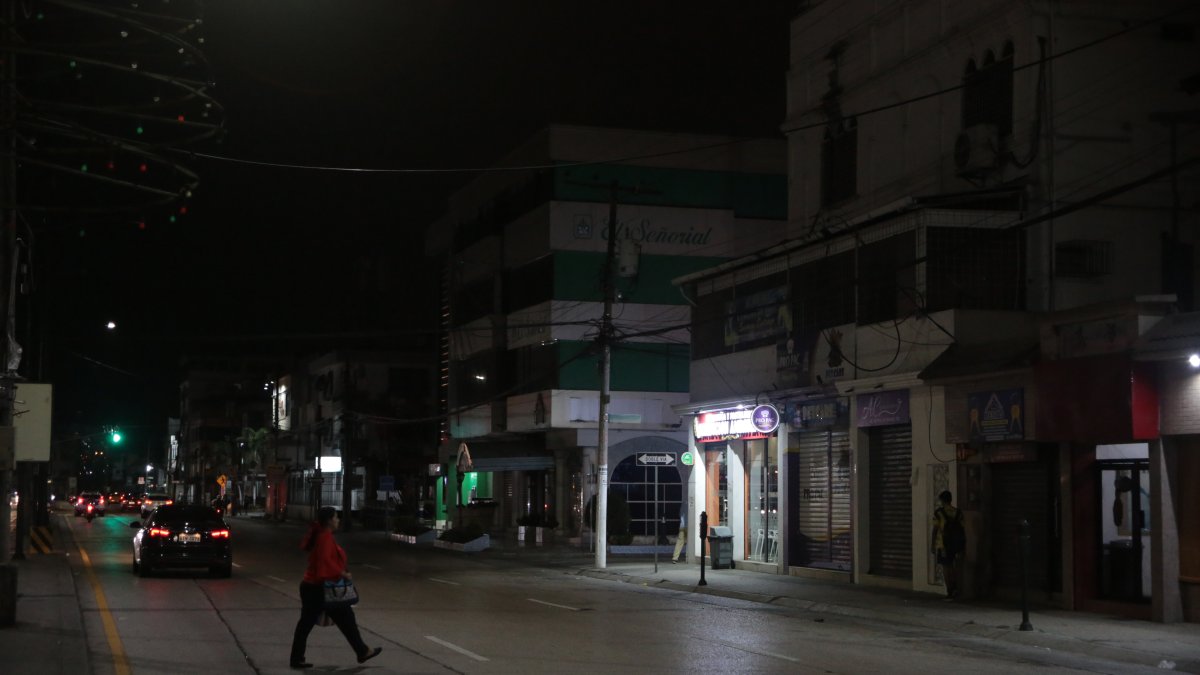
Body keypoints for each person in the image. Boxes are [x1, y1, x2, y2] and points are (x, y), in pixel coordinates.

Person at [289, 506, 382, 669]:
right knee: (313, 622)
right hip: (317, 588)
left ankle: (362, 650)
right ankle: (361, 651)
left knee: (344, 619)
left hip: (315, 587)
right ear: (329, 521)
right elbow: (325, 562)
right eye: (336, 517)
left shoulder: (322, 534)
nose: (338, 520)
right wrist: (342, 573)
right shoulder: (324, 536)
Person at [931, 490, 966, 600]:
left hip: (943, 545)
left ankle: (950, 592)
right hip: (955, 544)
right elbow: (962, 529)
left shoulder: (938, 513)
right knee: (953, 566)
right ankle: (955, 589)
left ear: (942, 500)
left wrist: (932, 545)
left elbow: (935, 529)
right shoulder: (958, 512)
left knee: (946, 568)